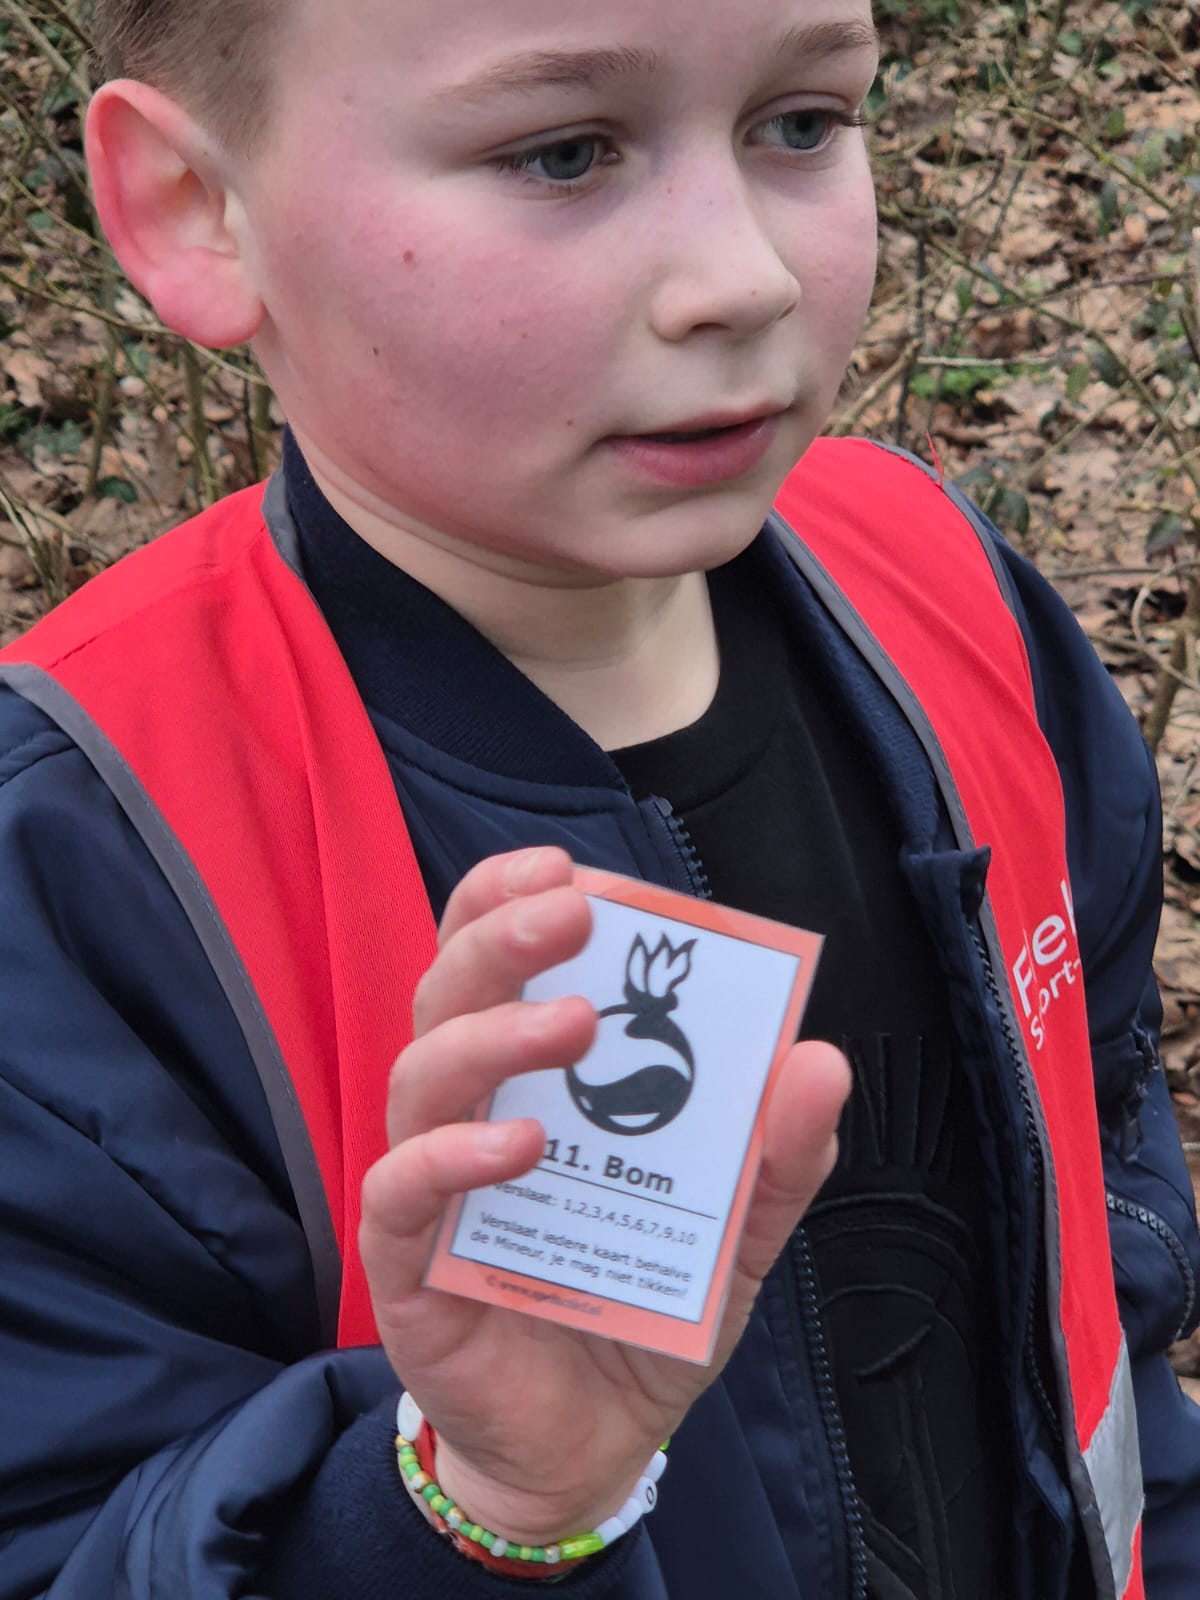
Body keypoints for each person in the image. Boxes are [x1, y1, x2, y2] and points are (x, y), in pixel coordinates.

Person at [0, 0, 1198, 1595]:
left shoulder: (947, 592)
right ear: (196, 209)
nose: (744, 280)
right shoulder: (75, 862)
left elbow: (1105, 1218)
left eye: (801, 123)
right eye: (563, 153)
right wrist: (482, 1502)